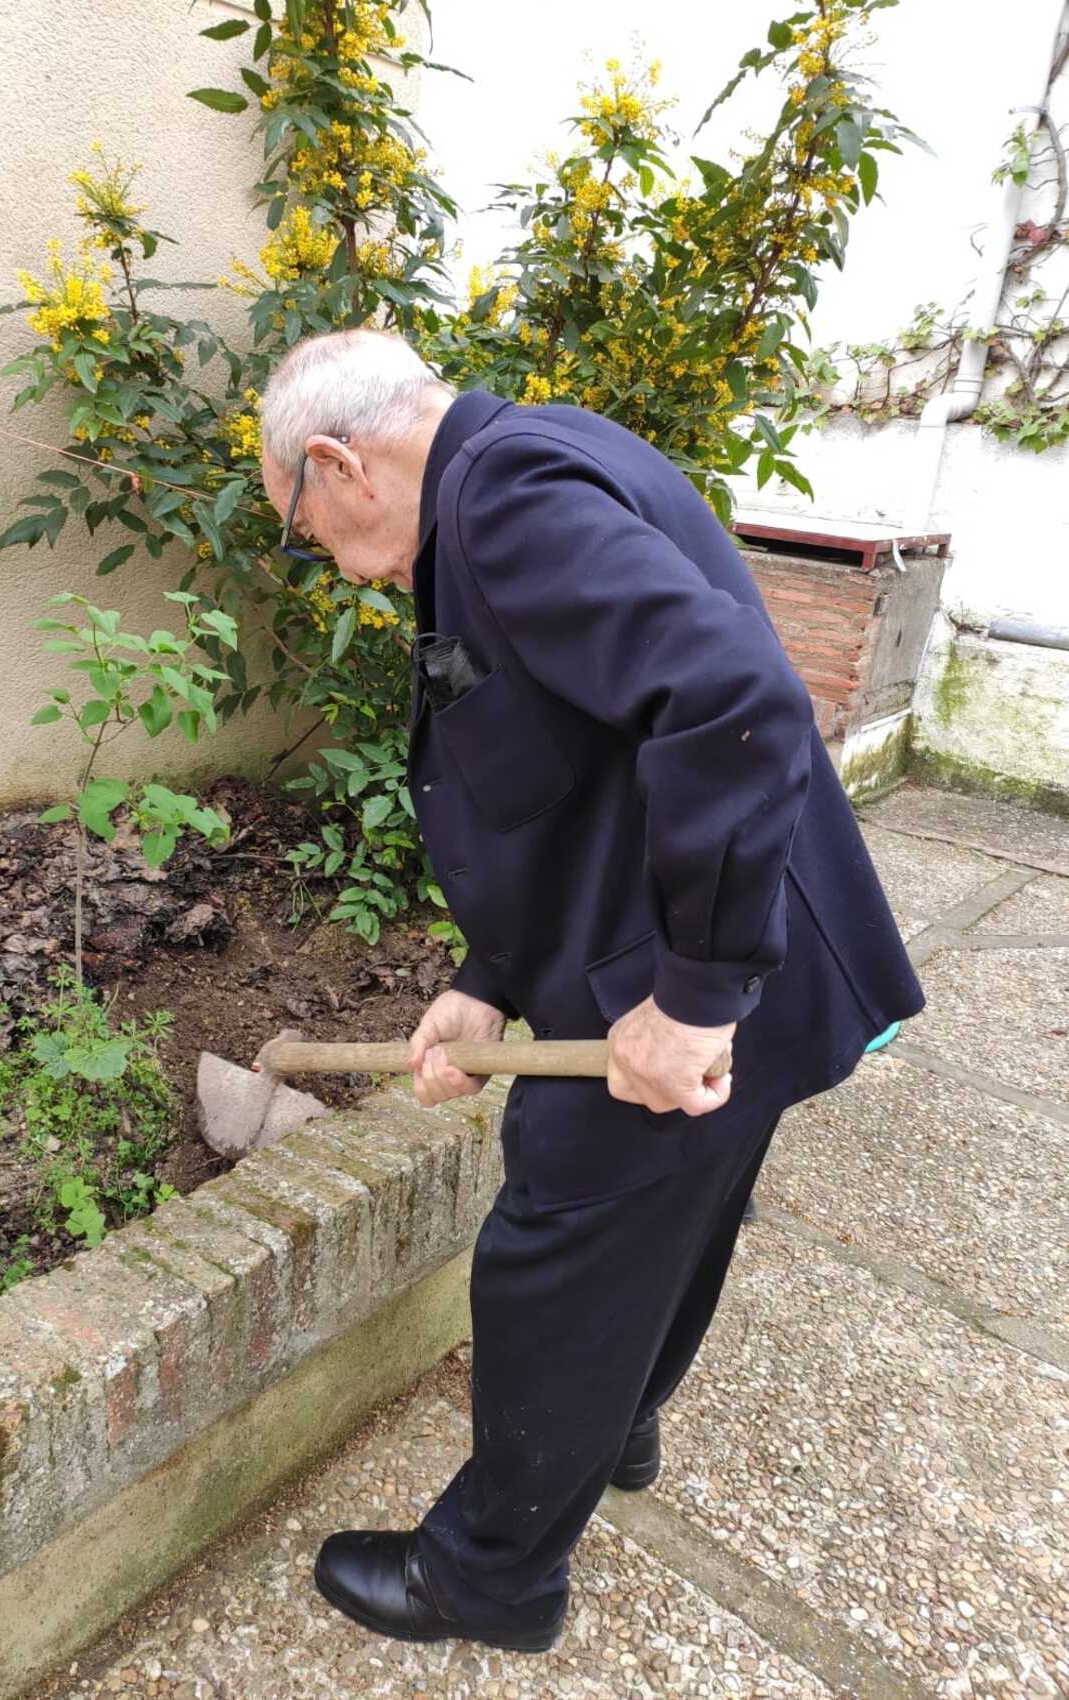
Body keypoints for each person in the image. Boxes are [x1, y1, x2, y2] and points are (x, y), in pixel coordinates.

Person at [257, 328, 924, 1654]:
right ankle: (612, 1424)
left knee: (552, 1255)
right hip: (719, 950)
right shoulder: (523, 463)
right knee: (678, 1210)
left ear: (336, 463)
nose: (323, 557)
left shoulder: (503, 508)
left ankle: (491, 1576)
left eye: (303, 528)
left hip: (694, 965)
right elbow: (563, 769)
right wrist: (488, 984)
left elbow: (735, 701)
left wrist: (694, 998)